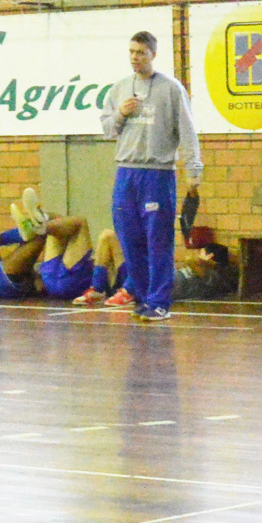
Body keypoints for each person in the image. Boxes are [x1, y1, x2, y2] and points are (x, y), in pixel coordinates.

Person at [98, 29, 203, 320]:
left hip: (157, 175)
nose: (135, 57)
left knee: (157, 241)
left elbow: (187, 131)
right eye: (131, 52)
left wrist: (193, 170)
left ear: (153, 55)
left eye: (141, 53)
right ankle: (143, 299)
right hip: (126, 173)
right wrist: (120, 113)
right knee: (129, 240)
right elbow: (107, 130)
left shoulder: (171, 89)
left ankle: (159, 302)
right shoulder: (119, 89)